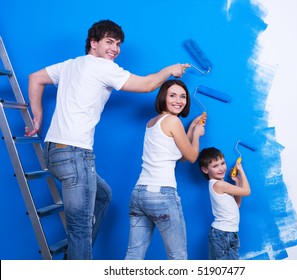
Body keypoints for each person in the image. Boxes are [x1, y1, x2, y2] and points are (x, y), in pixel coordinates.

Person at [24, 19, 190, 260]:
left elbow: (34, 78)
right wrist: (169, 70)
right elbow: (146, 85)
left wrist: (36, 116)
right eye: (109, 42)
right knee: (79, 229)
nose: (115, 49)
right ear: (93, 43)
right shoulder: (103, 67)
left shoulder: (71, 65)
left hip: (53, 153)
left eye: (118, 44)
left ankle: (74, 259)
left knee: (103, 195)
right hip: (75, 155)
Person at [125, 79, 206, 260]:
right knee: (178, 257)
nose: (179, 100)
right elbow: (192, 157)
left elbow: (181, 155)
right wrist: (198, 136)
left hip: (139, 193)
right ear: (163, 97)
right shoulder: (173, 121)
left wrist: (192, 128)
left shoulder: (152, 122)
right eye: (173, 95)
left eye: (183, 96)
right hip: (161, 194)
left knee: (134, 254)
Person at [197, 147, 250, 260]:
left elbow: (237, 205)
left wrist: (237, 182)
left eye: (222, 163)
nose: (221, 168)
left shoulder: (221, 184)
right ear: (205, 170)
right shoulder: (219, 185)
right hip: (222, 234)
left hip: (229, 233)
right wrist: (241, 170)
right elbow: (247, 191)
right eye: (215, 166)